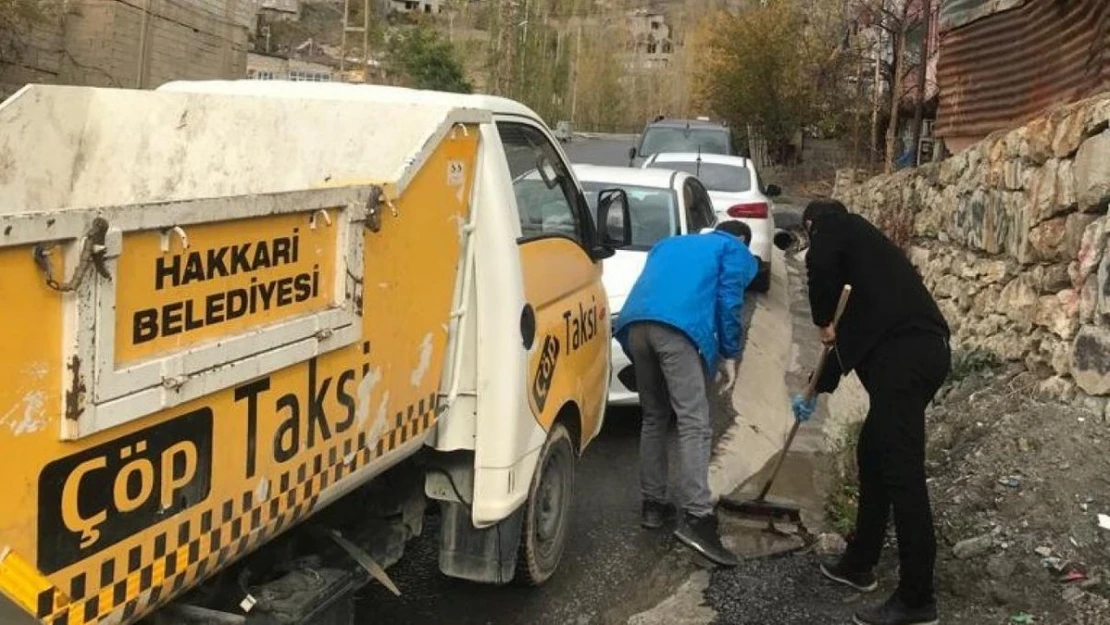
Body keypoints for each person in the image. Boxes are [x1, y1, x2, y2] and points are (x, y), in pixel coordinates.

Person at [792, 199, 950, 625]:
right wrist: (816, 388)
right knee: (873, 455)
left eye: (810, 235)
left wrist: (822, 318)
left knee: (903, 475)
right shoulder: (865, 270)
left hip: (908, 359)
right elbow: (847, 345)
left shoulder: (833, 226)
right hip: (915, 356)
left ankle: (917, 599)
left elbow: (820, 266)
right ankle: (860, 562)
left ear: (811, 223)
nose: (812, 243)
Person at [614, 220, 758, 567]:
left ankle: (653, 505)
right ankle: (698, 515)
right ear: (741, 238)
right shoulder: (732, 249)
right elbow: (728, 302)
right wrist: (728, 353)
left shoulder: (670, 242)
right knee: (694, 421)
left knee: (654, 416)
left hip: (635, 326)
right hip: (676, 331)